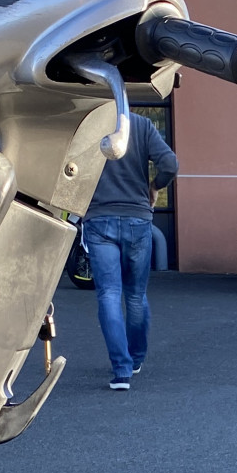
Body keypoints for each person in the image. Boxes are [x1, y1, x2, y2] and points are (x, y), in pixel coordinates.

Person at [79, 113, 176, 390]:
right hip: (137, 219)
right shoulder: (141, 125)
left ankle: (121, 371)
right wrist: (155, 187)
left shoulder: (87, 124)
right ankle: (135, 359)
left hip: (99, 219)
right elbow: (170, 164)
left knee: (109, 293)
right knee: (135, 294)